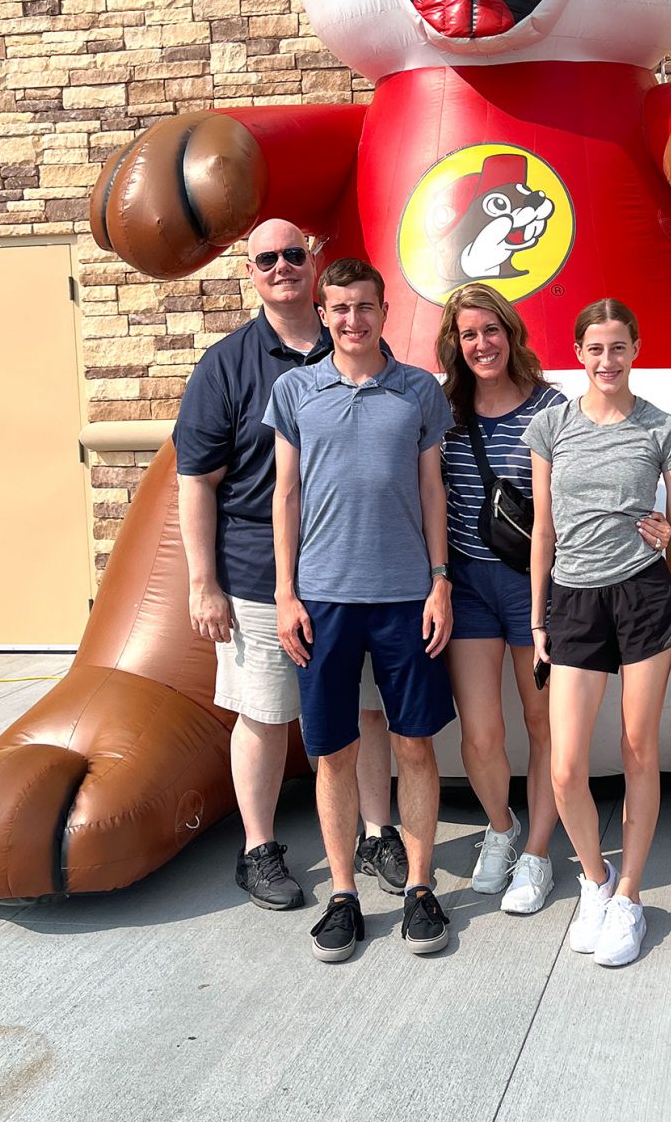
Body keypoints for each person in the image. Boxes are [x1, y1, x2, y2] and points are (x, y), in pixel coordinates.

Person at [174, 221, 405, 912]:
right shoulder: (228, 364)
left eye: (293, 255)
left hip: (355, 570)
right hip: (255, 574)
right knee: (266, 713)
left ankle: (375, 830)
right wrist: (202, 582)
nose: (281, 267)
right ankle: (259, 848)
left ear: (315, 264)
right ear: (250, 272)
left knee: (368, 710)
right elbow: (197, 479)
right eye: (266, 259)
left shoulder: (364, 346)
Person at [436, 283, 671, 914]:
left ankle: (539, 855)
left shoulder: (550, 407)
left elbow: (591, 491)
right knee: (482, 734)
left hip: (534, 586)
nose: (482, 344)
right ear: (455, 345)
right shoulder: (445, 410)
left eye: (492, 331)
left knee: (544, 726)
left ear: (511, 335)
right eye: (469, 334)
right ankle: (502, 829)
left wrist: (660, 525)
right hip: (467, 582)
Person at [266, 257, 457, 962]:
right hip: (321, 598)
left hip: (408, 595)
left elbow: (433, 491)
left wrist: (440, 582)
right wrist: (285, 593)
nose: (354, 320)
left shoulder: (418, 392)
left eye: (366, 307)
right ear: (324, 313)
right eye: (340, 308)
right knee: (334, 751)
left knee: (414, 746)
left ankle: (419, 886)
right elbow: (284, 496)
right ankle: (343, 894)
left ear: (384, 310)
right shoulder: (294, 391)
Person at [525, 298, 671, 968]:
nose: (607, 360)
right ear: (578, 353)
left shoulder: (663, 429)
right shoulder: (550, 428)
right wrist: (538, 617)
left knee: (637, 751)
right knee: (567, 767)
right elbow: (542, 529)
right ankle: (594, 881)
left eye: (619, 348)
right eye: (595, 349)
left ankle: (630, 895)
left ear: (635, 349)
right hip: (573, 600)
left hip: (643, 601)